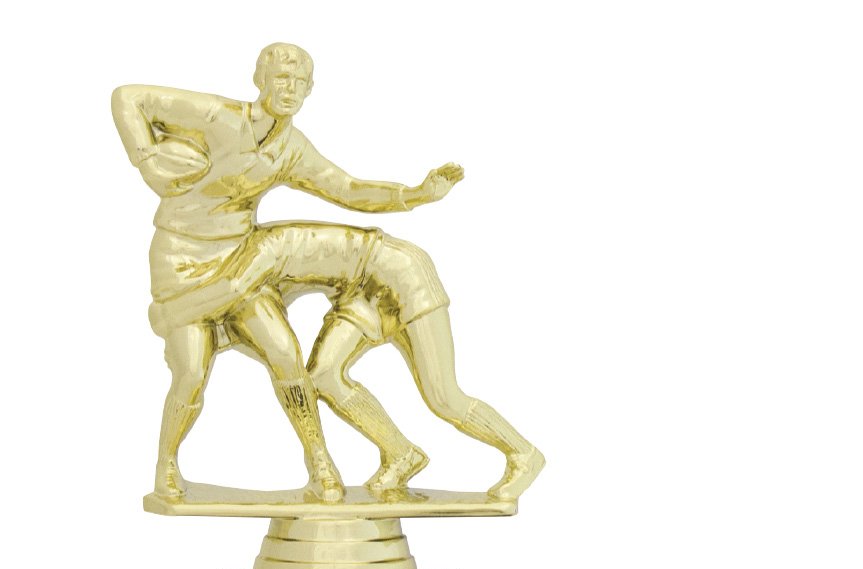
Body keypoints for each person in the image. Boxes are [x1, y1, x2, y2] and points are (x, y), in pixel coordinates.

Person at [112, 43, 541, 499]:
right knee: (197, 373)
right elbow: (127, 96)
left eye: (299, 82)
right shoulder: (218, 117)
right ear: (259, 80)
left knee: (297, 356)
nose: (290, 89)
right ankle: (169, 463)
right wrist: (147, 159)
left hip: (305, 265)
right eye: (281, 79)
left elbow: (347, 190)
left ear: (311, 89)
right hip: (184, 257)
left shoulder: (288, 158)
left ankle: (324, 463)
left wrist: (413, 195)